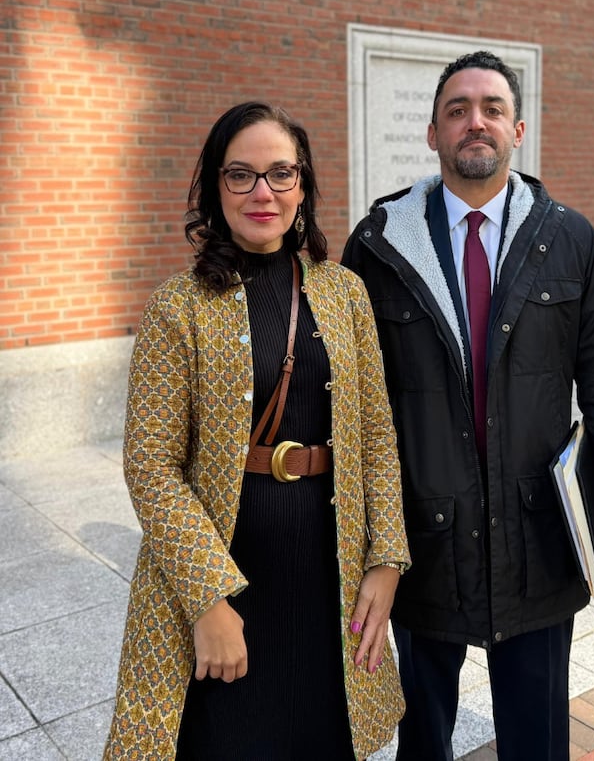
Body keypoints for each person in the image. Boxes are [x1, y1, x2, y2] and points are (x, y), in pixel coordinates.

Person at [342, 50, 594, 761]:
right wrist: (360, 537)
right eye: (457, 110)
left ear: (518, 129)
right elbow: (352, 402)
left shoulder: (568, 238)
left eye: (491, 109)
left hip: (538, 538)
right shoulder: (379, 243)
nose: (474, 122)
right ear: (433, 134)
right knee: (421, 738)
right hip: (422, 540)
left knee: (536, 740)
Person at [104, 101, 410, 761]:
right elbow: (150, 465)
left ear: (303, 185)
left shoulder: (344, 291)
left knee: (324, 738)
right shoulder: (177, 305)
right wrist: (209, 601)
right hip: (226, 585)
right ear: (216, 188)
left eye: (280, 173)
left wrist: (386, 560)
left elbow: (378, 436)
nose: (262, 191)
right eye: (240, 174)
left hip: (328, 578)